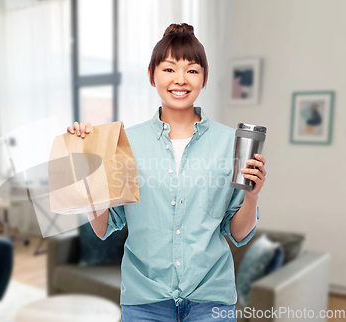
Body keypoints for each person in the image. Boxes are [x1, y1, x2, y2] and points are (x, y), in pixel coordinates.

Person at [67, 23, 267, 322]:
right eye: (169, 69)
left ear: (204, 79)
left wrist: (251, 198)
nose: (180, 80)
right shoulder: (126, 143)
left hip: (211, 298)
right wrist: (85, 159)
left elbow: (237, 232)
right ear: (152, 76)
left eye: (192, 70)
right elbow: (103, 227)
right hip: (144, 300)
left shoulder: (231, 143)